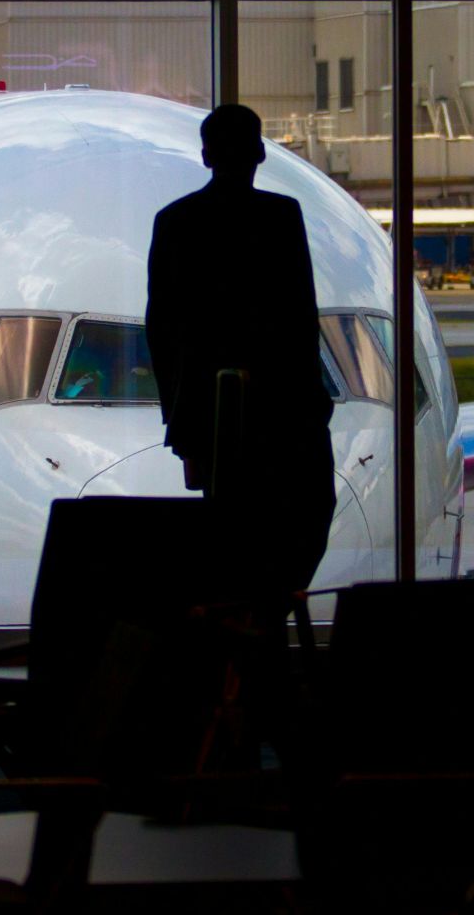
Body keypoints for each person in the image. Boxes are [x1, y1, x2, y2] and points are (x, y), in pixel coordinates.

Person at [146, 103, 335, 600]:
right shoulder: (281, 217)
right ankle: (267, 617)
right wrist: (314, 398)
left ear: (206, 156)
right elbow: (300, 317)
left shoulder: (174, 221)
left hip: (207, 413)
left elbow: (161, 330)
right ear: (260, 154)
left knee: (228, 532)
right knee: (306, 515)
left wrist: (179, 419)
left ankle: (240, 633)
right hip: (284, 407)